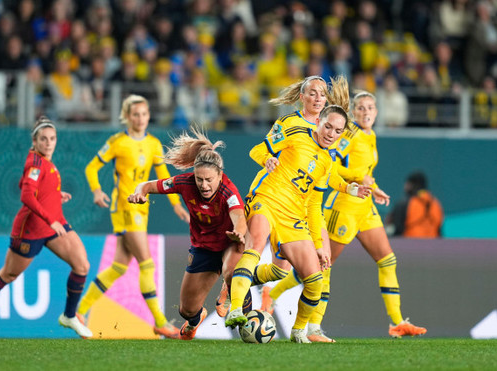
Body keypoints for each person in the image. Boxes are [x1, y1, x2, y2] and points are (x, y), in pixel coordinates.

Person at [225, 102, 370, 343]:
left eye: (337, 131)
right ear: (319, 122)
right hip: (266, 200)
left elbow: (314, 206)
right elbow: (257, 150)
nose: (331, 134)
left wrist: (319, 244)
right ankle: (236, 308)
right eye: (328, 127)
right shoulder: (295, 131)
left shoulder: (326, 161)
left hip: (292, 217)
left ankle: (298, 330)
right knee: (256, 244)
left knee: (314, 279)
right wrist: (267, 160)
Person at [0, 116, 92, 339]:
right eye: (43, 139)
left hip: (54, 224)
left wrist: (54, 195)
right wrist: (49, 218)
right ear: (35, 141)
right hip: (31, 228)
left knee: (82, 265)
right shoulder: (35, 162)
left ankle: (69, 316)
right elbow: (26, 195)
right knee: (9, 274)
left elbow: (28, 185)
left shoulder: (44, 162)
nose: (49, 143)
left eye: (52, 138)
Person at [78, 94, 189, 339]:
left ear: (149, 116)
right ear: (127, 117)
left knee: (118, 266)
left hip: (142, 209)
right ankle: (160, 321)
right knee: (146, 263)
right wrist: (97, 191)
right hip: (125, 207)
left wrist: (176, 205)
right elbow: (91, 167)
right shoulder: (117, 141)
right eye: (135, 114)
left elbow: (163, 177)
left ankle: (81, 310)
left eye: (144, 114)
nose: (140, 119)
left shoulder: (153, 144)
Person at [321, 92, 426, 338]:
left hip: (365, 206)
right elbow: (332, 166)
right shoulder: (348, 134)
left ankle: (397, 323)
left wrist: (374, 187)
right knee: (322, 264)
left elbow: (366, 172)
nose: (366, 112)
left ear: (377, 112)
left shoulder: (371, 135)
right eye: (360, 108)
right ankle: (276, 299)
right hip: (344, 205)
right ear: (353, 113)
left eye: (370, 108)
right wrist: (359, 177)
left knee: (387, 260)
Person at [127, 128, 248, 341]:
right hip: (203, 247)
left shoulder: (229, 192)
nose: (204, 185)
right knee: (186, 309)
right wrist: (139, 193)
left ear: (220, 175)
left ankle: (230, 291)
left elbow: (239, 216)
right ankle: (194, 321)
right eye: (199, 179)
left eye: (209, 179)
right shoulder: (184, 182)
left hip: (229, 241)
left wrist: (238, 232)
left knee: (232, 272)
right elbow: (147, 186)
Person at [386, 171, 444, 238]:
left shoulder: (404, 203)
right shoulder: (436, 204)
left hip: (409, 246)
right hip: (433, 246)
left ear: (410, 185)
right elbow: (439, 231)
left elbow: (397, 230)